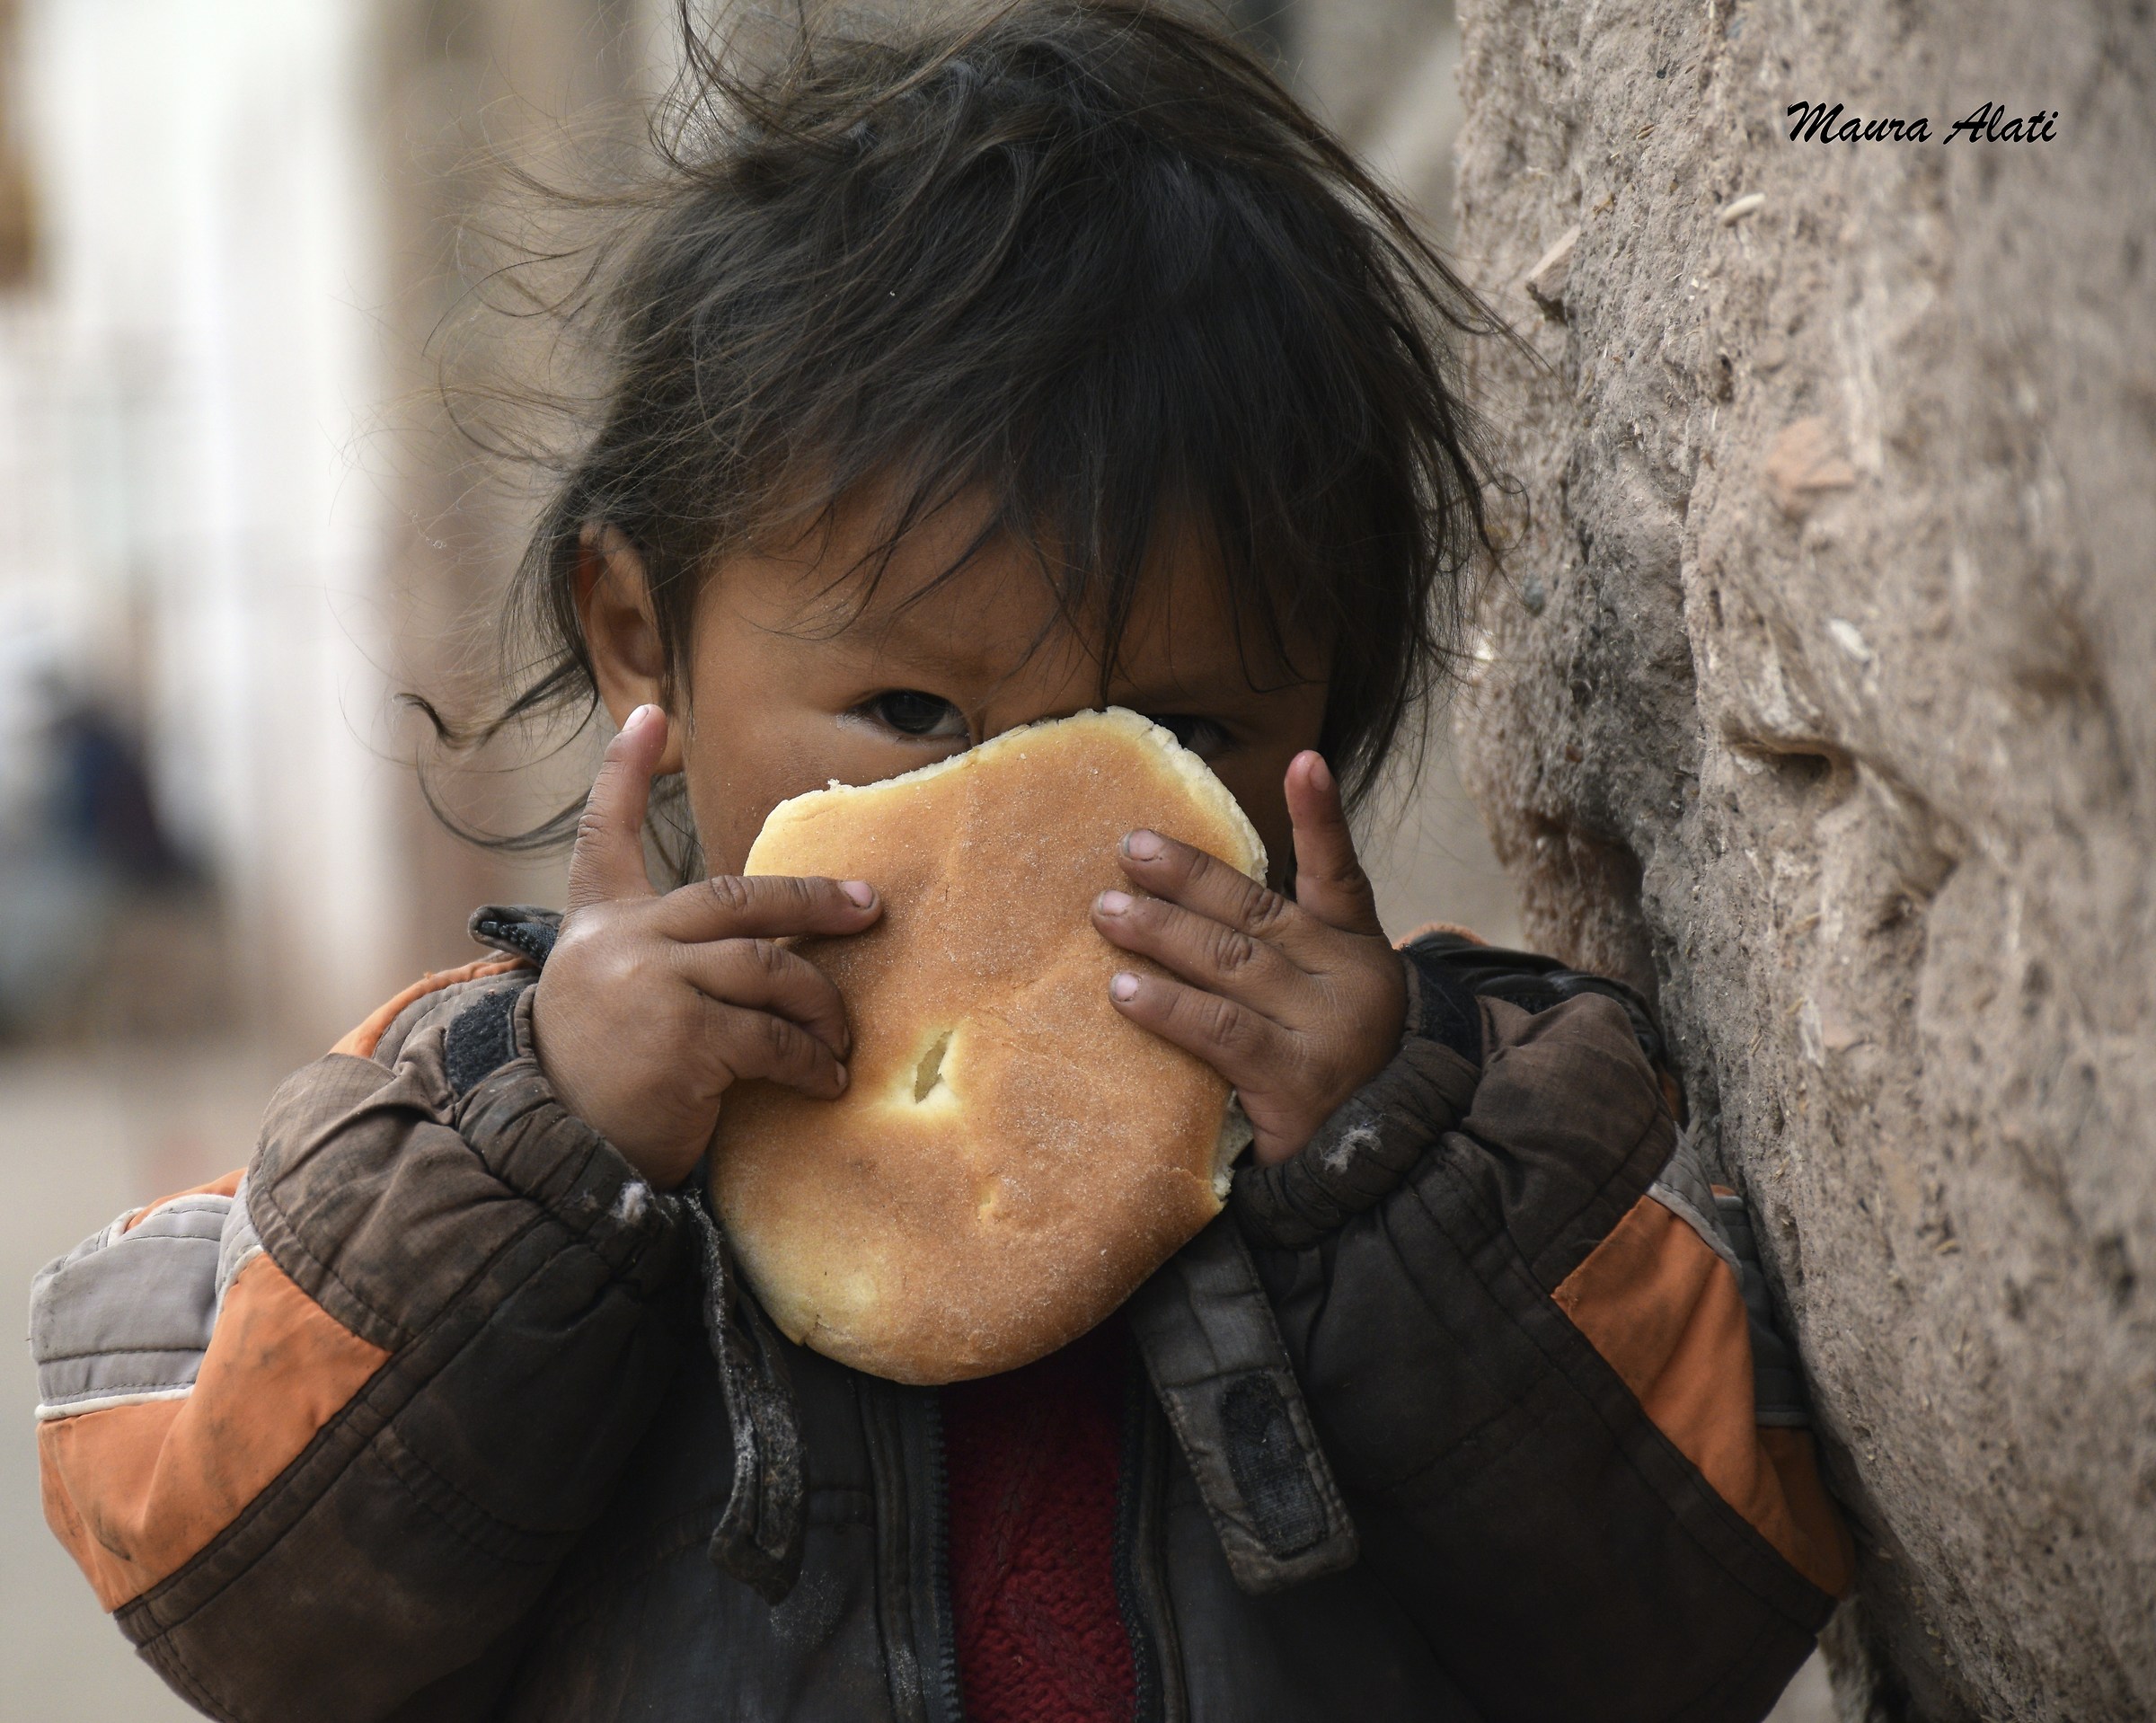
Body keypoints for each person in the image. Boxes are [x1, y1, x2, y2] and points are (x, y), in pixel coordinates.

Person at [27, 4, 1852, 1719]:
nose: (1028, 833)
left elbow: (1703, 1612)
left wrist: (1390, 1160)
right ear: (643, 639)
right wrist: (550, 1153)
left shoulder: (1461, 1114)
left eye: (1176, 728)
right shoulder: (484, 1117)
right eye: (915, 709)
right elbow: (241, 1601)